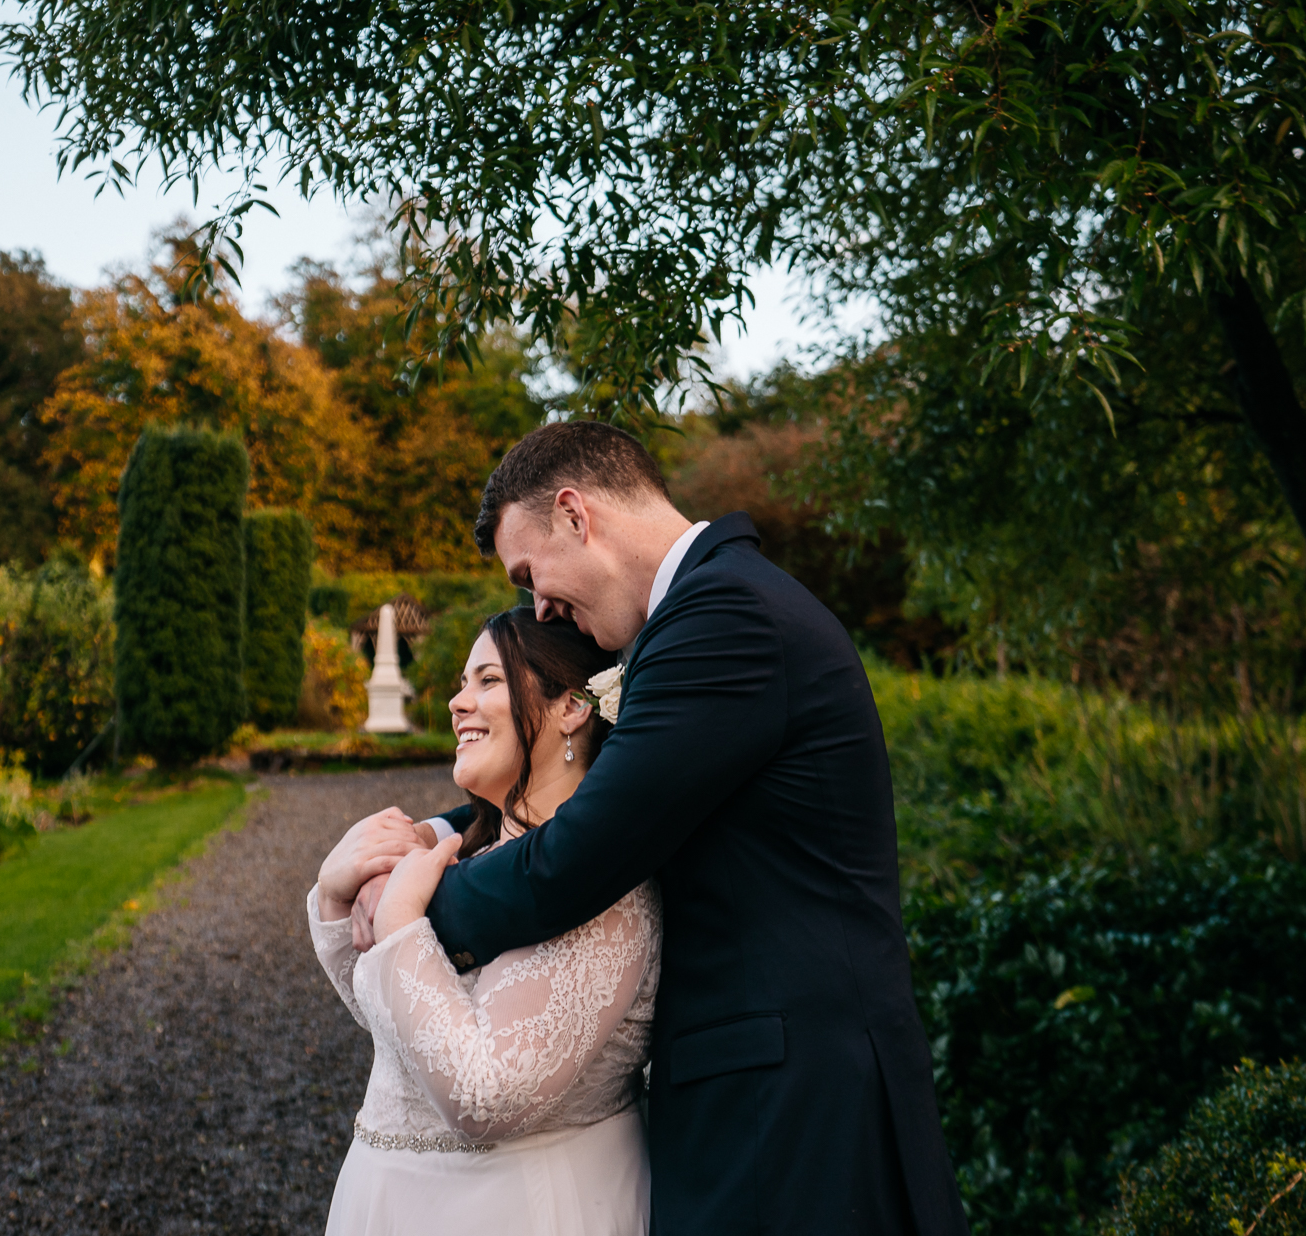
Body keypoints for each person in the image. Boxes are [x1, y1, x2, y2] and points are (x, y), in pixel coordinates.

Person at [352, 421, 969, 1234]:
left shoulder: (725, 615)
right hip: (771, 1091)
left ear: (576, 513)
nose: (538, 606)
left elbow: (582, 852)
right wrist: (432, 837)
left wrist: (416, 904)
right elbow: (612, 796)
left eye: (530, 572)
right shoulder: (713, 610)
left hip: (789, 1108)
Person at [308, 607, 659, 1235]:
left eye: (488, 681)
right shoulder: (470, 854)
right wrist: (335, 898)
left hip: (524, 1205)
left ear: (574, 705)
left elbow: (483, 1093)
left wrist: (402, 923)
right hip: (385, 1202)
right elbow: (398, 1027)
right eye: (463, 683)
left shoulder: (604, 881)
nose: (456, 702)